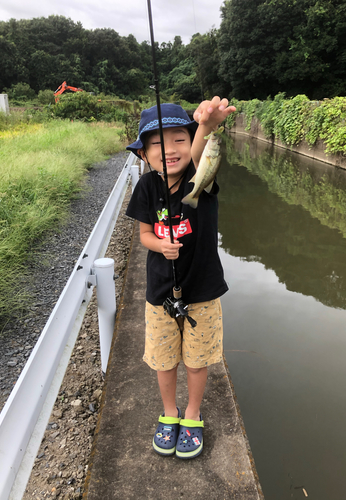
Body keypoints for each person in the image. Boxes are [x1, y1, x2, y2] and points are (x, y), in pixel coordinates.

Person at [125, 96, 236, 459]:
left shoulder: (199, 178)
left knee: (197, 359)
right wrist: (160, 245)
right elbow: (144, 234)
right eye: (156, 143)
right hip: (161, 292)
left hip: (202, 290)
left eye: (179, 139)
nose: (169, 149)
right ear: (143, 154)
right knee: (163, 359)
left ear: (191, 146)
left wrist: (206, 126)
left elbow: (203, 149)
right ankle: (169, 411)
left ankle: (192, 413)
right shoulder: (145, 188)